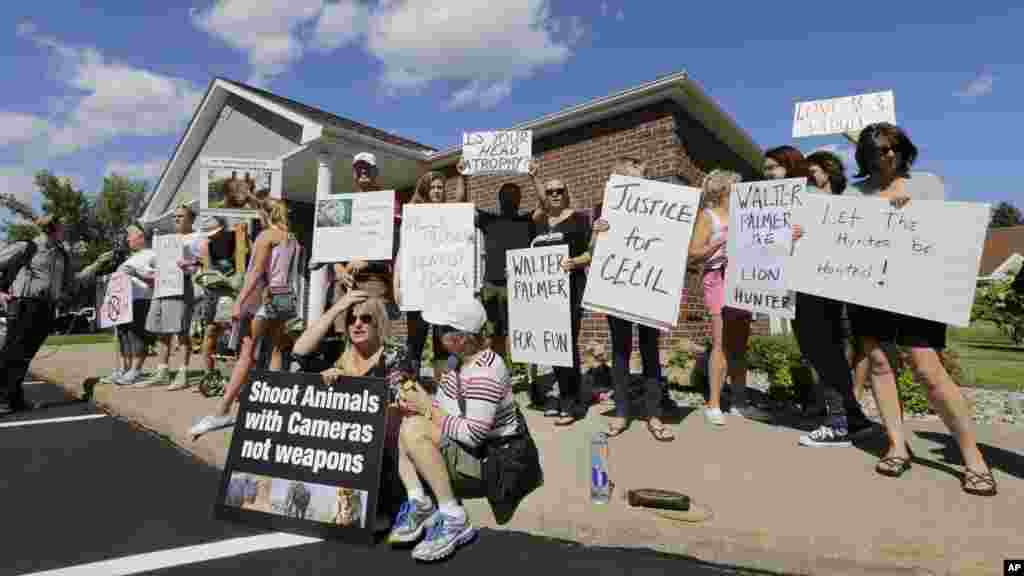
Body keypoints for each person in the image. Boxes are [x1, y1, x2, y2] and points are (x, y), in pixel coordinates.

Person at [840, 122, 996, 495]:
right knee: (879, 363)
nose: (889, 154)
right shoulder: (853, 193)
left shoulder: (926, 184)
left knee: (927, 368)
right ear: (866, 156)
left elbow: (947, 230)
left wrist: (909, 211)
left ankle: (973, 457)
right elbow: (836, 235)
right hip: (867, 288)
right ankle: (896, 445)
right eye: (880, 149)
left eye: (894, 147)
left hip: (917, 289)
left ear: (904, 149)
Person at [390, 296, 520, 562]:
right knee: (405, 421)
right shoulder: (457, 362)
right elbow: (443, 407)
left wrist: (426, 407)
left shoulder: (485, 373)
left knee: (415, 429)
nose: (436, 334)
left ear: (461, 338)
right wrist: (416, 402)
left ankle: (453, 517)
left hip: (492, 460)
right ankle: (420, 502)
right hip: (472, 449)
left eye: (442, 329)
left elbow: (473, 435)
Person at [290, 291, 413, 531]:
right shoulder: (337, 352)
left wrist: (350, 390)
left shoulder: (395, 355)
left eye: (365, 319)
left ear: (378, 323)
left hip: (377, 442)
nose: (357, 324)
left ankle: (380, 506)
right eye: (351, 319)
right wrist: (338, 308)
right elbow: (299, 352)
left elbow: (400, 400)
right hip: (336, 442)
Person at [189, 200, 301, 437]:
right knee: (275, 352)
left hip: (263, 299)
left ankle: (222, 411)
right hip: (285, 297)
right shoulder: (292, 238)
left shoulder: (266, 236)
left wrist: (239, 302)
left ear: (263, 214)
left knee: (246, 355)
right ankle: (273, 409)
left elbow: (256, 272)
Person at [787, 149, 876, 446]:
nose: (807, 178)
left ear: (827, 172)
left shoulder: (847, 203)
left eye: (812, 172)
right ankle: (854, 418)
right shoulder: (801, 205)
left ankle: (839, 424)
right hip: (807, 287)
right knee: (824, 354)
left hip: (830, 290)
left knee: (825, 353)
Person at [589, 157, 671, 441]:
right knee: (621, 352)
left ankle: (654, 413)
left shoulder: (659, 207)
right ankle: (622, 412)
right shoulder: (604, 209)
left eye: (644, 178)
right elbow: (594, 251)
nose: (642, 182)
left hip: (649, 288)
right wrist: (596, 233)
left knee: (650, 350)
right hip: (619, 288)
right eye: (636, 177)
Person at [0, 215, 111, 414]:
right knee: (12, 353)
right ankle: (4, 399)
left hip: (46, 308)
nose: (65, 231)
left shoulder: (62, 255)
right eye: (62, 227)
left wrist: (97, 264)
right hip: (24, 304)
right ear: (52, 228)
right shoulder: (27, 247)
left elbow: (74, 282)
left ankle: (14, 399)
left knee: (25, 356)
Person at [686, 170, 769, 426]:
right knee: (721, 342)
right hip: (718, 277)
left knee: (740, 344)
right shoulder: (708, 216)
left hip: (743, 279)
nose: (741, 188)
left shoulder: (748, 216)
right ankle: (713, 403)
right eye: (736, 185)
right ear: (723, 190)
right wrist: (719, 243)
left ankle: (740, 402)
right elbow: (693, 253)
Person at [525, 160, 592, 425]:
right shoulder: (540, 222)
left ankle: (571, 400)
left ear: (566, 193)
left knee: (568, 344)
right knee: (553, 345)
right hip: (546, 293)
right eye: (550, 191)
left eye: (559, 191)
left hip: (571, 288)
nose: (554, 194)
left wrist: (574, 262)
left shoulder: (579, 219)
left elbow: (591, 253)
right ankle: (563, 394)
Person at [452, 158, 537, 361]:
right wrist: (462, 176)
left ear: (520, 199)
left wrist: (534, 176)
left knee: (518, 330)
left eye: (514, 195)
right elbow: (460, 205)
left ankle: (519, 371)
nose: (510, 199)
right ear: (500, 198)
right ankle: (500, 369)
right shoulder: (488, 219)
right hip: (491, 284)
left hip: (519, 284)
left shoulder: (527, 220)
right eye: (506, 195)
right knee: (493, 332)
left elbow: (544, 204)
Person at [393, 171, 454, 381]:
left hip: (442, 287)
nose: (436, 191)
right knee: (415, 340)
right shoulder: (414, 216)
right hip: (417, 287)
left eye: (440, 187)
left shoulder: (451, 216)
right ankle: (411, 386)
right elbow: (403, 250)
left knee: (442, 338)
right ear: (426, 191)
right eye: (432, 187)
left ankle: (444, 387)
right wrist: (396, 283)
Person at [333, 152, 400, 317]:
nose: (363, 171)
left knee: (372, 328)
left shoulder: (388, 201)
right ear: (353, 173)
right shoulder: (344, 204)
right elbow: (332, 240)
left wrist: (367, 261)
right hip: (345, 280)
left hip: (374, 279)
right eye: (358, 168)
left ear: (376, 172)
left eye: (367, 168)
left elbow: (395, 241)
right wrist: (337, 267)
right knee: (343, 329)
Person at [145, 204, 201, 390]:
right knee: (162, 330)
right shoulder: (166, 239)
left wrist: (190, 266)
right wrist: (153, 267)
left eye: (180, 216)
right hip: (162, 286)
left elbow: (200, 264)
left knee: (181, 331)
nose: (176, 219)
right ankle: (162, 372)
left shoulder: (197, 237)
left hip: (181, 286)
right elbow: (157, 261)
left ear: (191, 219)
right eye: (174, 216)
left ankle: (182, 374)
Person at [113, 223, 159, 386]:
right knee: (124, 335)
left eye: (130, 236)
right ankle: (125, 369)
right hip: (125, 300)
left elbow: (161, 280)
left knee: (138, 336)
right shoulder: (130, 257)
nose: (127, 239)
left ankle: (136, 370)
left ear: (141, 237)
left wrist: (137, 274)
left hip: (142, 299)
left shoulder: (153, 255)